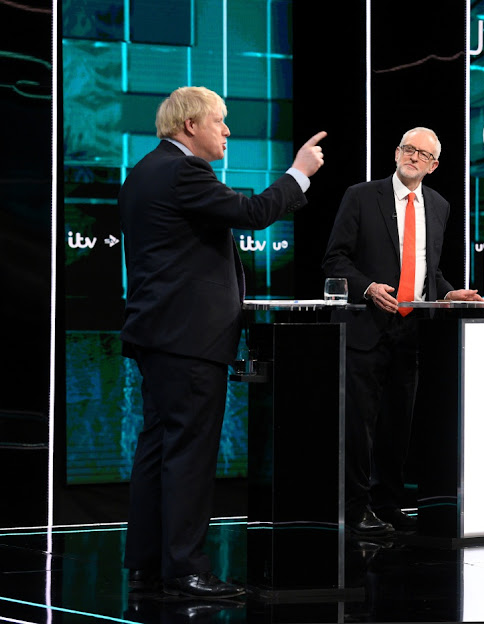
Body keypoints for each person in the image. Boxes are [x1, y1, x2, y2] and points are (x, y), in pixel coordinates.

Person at [119, 86, 325, 597]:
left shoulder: (143, 171)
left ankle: (148, 563)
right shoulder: (185, 171)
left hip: (158, 334)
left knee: (158, 448)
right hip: (188, 339)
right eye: (221, 121)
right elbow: (252, 213)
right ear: (191, 125)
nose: (228, 131)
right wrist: (298, 173)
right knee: (188, 454)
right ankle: (187, 569)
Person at [322, 127, 483, 536]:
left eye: (423, 154)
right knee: (360, 427)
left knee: (398, 425)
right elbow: (334, 260)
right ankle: (354, 509)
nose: (413, 157)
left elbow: (430, 271)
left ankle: (387, 505)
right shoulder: (361, 196)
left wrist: (450, 292)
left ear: (434, 165)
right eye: (408, 149)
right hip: (364, 330)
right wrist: (368, 288)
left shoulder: (440, 206)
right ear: (396, 153)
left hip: (409, 333)